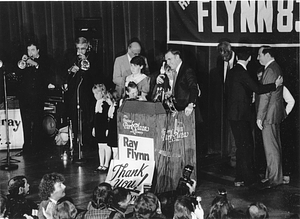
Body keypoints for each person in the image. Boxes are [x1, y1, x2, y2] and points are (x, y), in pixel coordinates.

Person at [226, 47, 283, 187]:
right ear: (249, 58)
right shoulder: (243, 72)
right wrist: (274, 85)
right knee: (246, 146)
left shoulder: (232, 71)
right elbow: (257, 89)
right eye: (255, 56)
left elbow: (237, 91)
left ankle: (239, 178)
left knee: (241, 147)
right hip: (241, 116)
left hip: (233, 115)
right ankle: (249, 179)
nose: (257, 59)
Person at [256, 46, 286, 188]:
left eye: (260, 55)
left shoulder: (270, 70)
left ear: (267, 55)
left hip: (268, 115)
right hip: (274, 113)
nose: (258, 58)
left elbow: (265, 96)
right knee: (273, 145)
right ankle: (272, 176)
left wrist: (260, 116)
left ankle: (274, 179)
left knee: (271, 147)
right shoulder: (275, 68)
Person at [63, 37, 99, 153]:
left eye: (82, 49)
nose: (80, 51)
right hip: (75, 92)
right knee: (74, 117)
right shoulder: (72, 57)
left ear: (88, 47)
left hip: (88, 93)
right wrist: (71, 71)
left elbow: (96, 76)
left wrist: (87, 64)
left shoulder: (93, 57)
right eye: (78, 48)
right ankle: (77, 143)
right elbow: (66, 76)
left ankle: (88, 143)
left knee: (87, 118)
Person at [16, 39, 51, 156]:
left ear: (38, 50)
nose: (30, 53)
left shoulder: (44, 61)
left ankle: (36, 148)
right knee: (25, 122)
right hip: (25, 97)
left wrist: (36, 65)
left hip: (37, 97)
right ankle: (26, 147)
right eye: (28, 50)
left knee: (36, 122)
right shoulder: (25, 62)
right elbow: (18, 75)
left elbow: (46, 76)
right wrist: (23, 64)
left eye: (32, 50)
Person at [157, 49, 199, 117]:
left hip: (186, 111)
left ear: (177, 57)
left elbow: (193, 88)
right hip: (177, 111)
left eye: (169, 59)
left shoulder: (187, 70)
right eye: (166, 60)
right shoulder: (173, 71)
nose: (168, 62)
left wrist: (190, 104)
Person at [92, 84, 113, 172]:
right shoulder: (97, 103)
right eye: (94, 94)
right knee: (100, 146)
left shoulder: (106, 103)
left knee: (106, 146)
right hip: (98, 127)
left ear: (102, 92)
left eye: (97, 93)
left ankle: (106, 164)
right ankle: (101, 164)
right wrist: (94, 128)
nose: (95, 96)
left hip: (104, 127)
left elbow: (107, 117)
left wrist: (107, 129)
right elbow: (96, 117)